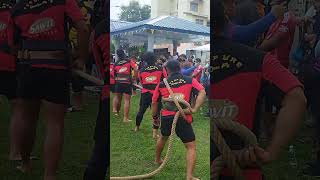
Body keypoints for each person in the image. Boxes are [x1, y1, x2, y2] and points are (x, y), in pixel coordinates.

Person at [211, 1, 307, 180]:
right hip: (242, 169)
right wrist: (272, 151)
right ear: (226, 16)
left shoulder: (189, 68)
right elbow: (297, 99)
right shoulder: (258, 60)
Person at [11, 1, 89, 179]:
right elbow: (83, 29)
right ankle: (50, 175)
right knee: (54, 123)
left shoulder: (18, 7)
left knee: (27, 119)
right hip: (56, 67)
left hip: (28, 66)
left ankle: (25, 164)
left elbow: (14, 44)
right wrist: (82, 58)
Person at [152, 60, 206, 180]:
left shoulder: (161, 84)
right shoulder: (189, 80)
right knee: (191, 146)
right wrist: (195, 108)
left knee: (163, 137)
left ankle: (157, 159)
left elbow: (154, 102)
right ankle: (189, 176)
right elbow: (202, 91)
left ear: (167, 70)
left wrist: (155, 117)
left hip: (166, 117)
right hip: (182, 116)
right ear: (179, 68)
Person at [84, 18, 108, 180]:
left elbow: (99, 65)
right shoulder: (100, 29)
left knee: (101, 150)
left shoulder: (99, 29)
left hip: (107, 93)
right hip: (108, 93)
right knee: (101, 152)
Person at [0, 0, 21, 161]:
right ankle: (14, 153)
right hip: (8, 64)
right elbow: (15, 43)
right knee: (16, 108)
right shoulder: (15, 11)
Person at [135, 52, 164, 138]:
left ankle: (137, 127)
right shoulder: (161, 68)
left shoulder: (142, 70)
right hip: (157, 93)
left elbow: (141, 82)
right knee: (157, 113)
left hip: (145, 93)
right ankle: (154, 133)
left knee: (141, 110)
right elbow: (165, 79)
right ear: (155, 59)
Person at [113, 49, 138, 122]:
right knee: (127, 100)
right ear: (124, 53)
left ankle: (117, 113)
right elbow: (136, 69)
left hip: (118, 83)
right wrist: (134, 78)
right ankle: (125, 118)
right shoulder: (129, 61)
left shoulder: (116, 63)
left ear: (117, 55)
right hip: (127, 82)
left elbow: (114, 75)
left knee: (118, 99)